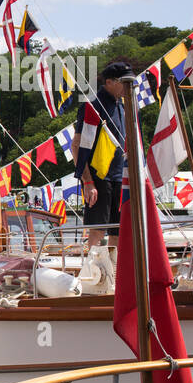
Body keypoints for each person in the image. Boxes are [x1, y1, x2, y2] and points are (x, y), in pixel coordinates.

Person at [72, 60, 129, 288]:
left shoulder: (123, 107)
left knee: (118, 230)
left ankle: (113, 277)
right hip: (99, 176)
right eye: (123, 82)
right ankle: (91, 277)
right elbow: (77, 146)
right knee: (97, 229)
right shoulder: (93, 108)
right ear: (109, 82)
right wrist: (88, 181)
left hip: (120, 176)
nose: (127, 87)